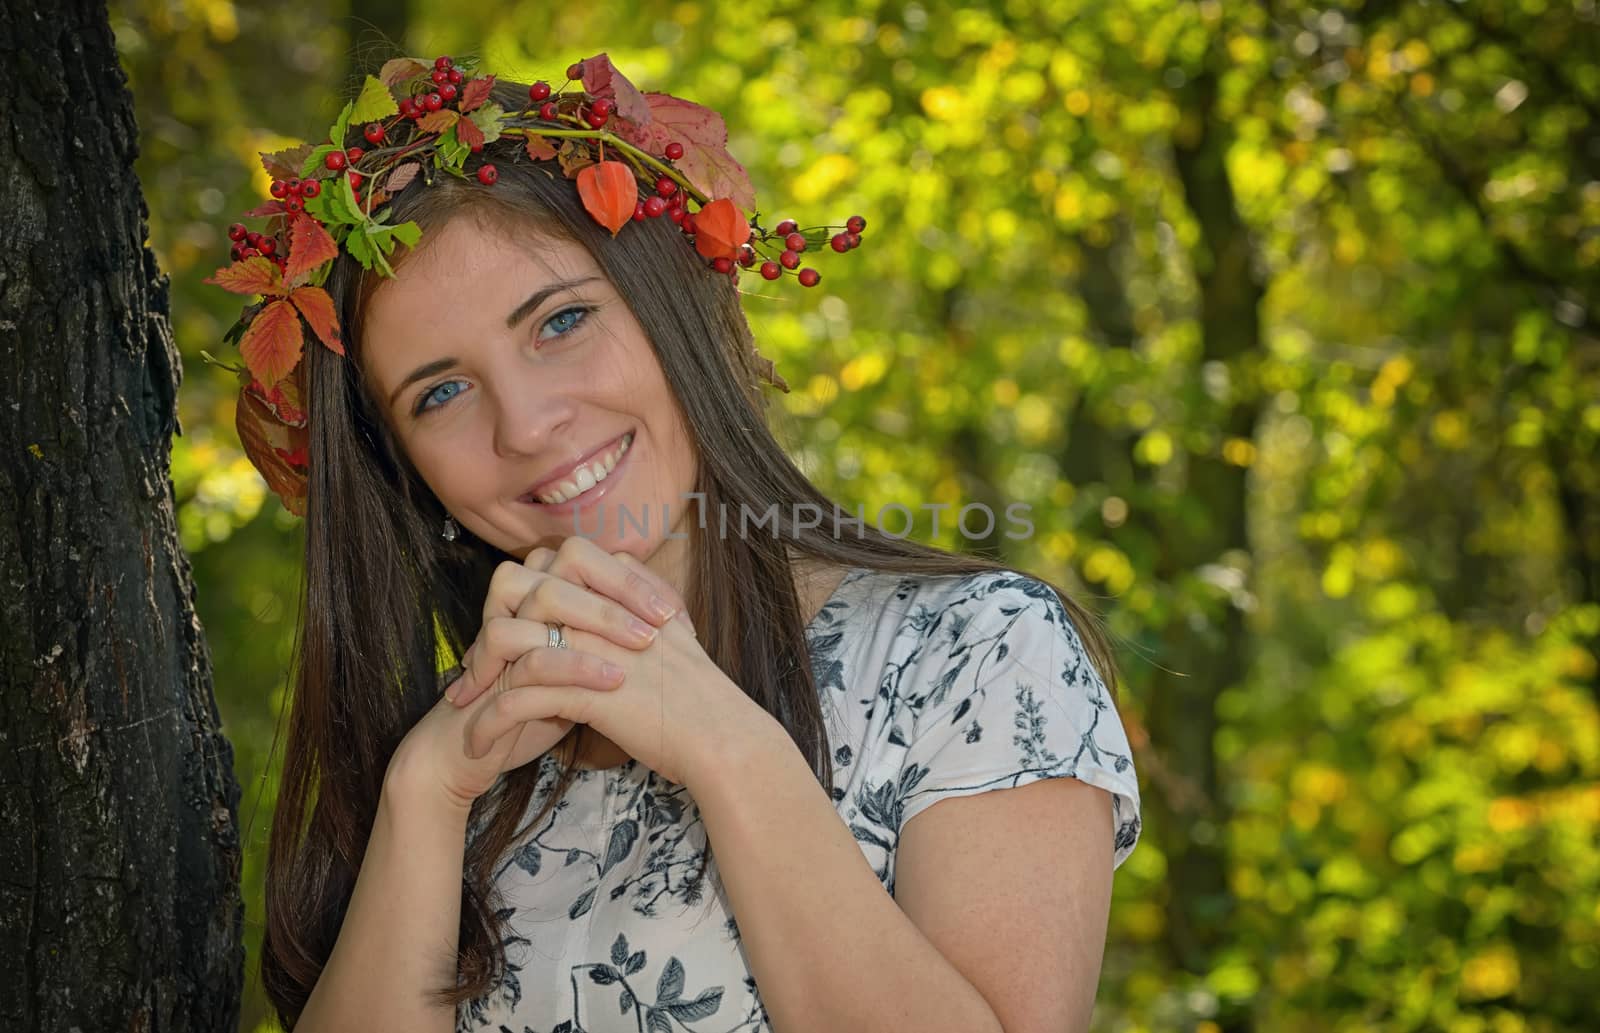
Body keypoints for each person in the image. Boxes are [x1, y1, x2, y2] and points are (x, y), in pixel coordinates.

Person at [211, 53, 1141, 1033]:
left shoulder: (973, 652)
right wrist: (423, 796)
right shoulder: (458, 763)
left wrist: (727, 746)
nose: (525, 425)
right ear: (403, 468)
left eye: (561, 320)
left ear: (675, 309)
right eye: (439, 392)